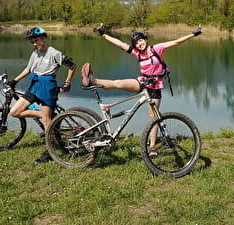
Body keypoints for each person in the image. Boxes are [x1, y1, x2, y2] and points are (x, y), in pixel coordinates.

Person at [81, 25, 202, 157]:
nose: (139, 43)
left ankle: (153, 147)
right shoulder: (137, 53)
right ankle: (92, 80)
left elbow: (176, 42)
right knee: (119, 83)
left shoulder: (156, 49)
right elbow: (120, 44)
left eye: (141, 40)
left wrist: (192, 35)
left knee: (153, 117)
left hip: (155, 87)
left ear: (146, 39)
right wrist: (104, 35)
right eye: (136, 43)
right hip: (142, 82)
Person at [7, 27, 76, 164]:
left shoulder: (54, 53)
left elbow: (72, 66)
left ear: (44, 38)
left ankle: (50, 151)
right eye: (32, 42)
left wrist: (67, 83)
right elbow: (28, 69)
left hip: (47, 86)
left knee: (46, 122)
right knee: (14, 112)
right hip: (34, 84)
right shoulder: (35, 52)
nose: (34, 44)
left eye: (36, 40)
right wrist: (15, 80)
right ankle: (49, 117)